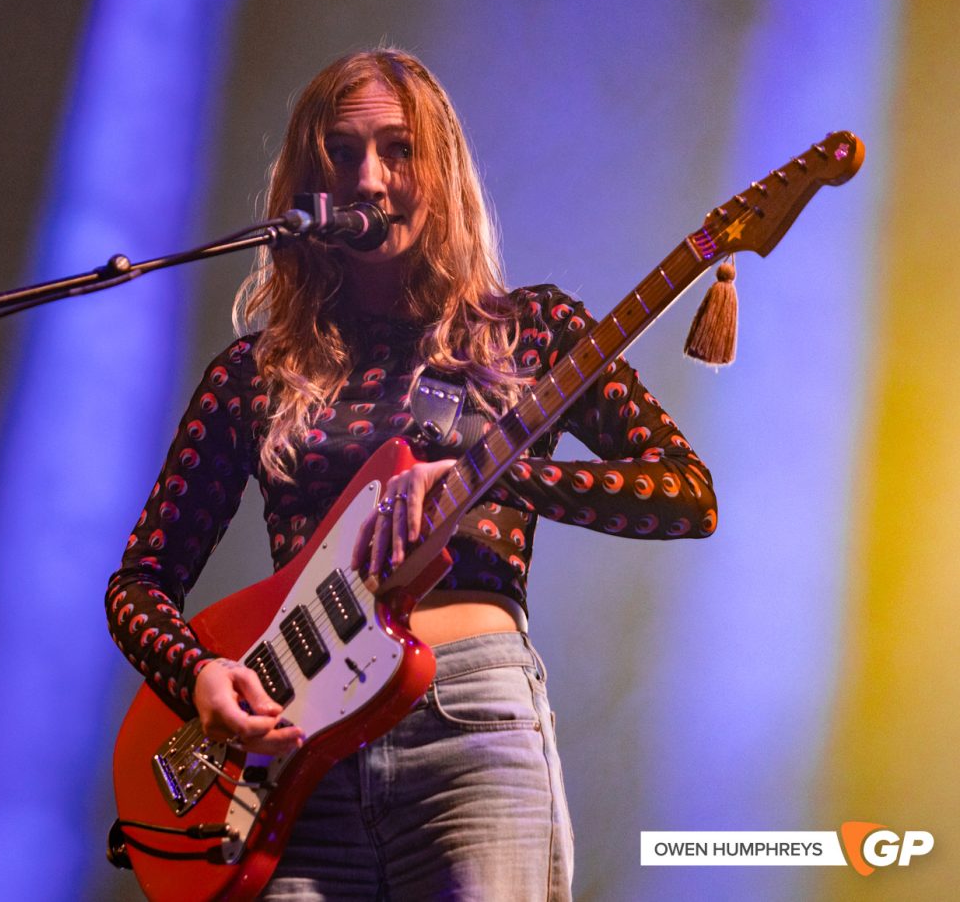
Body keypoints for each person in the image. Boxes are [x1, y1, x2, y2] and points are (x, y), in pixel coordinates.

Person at [106, 48, 716, 900]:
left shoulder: (530, 330)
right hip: (294, 758)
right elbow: (139, 582)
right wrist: (199, 673)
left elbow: (685, 493)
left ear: (444, 171)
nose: (369, 178)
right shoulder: (254, 373)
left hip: (470, 729)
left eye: (399, 150)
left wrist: (497, 477)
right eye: (342, 153)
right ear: (307, 183)